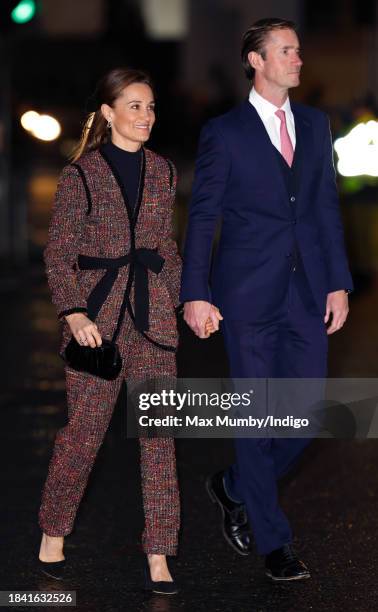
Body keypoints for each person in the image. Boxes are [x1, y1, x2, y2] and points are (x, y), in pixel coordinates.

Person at [180, 18, 352, 581]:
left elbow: (325, 207)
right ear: (255, 61)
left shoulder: (315, 123)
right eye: (285, 51)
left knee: (304, 420)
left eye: (299, 50)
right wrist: (195, 293)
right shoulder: (224, 133)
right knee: (256, 418)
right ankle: (273, 542)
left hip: (306, 294)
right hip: (245, 296)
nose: (298, 59)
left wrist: (338, 282)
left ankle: (232, 486)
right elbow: (204, 217)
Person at [38, 67, 181, 595]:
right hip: (96, 323)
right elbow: (58, 253)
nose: (146, 116)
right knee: (84, 437)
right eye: (135, 106)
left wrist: (183, 300)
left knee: (161, 441)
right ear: (109, 112)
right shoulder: (80, 175)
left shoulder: (163, 172)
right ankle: (53, 531)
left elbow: (165, 248)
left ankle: (160, 552)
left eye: (150, 106)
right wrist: (74, 314)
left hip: (153, 320)